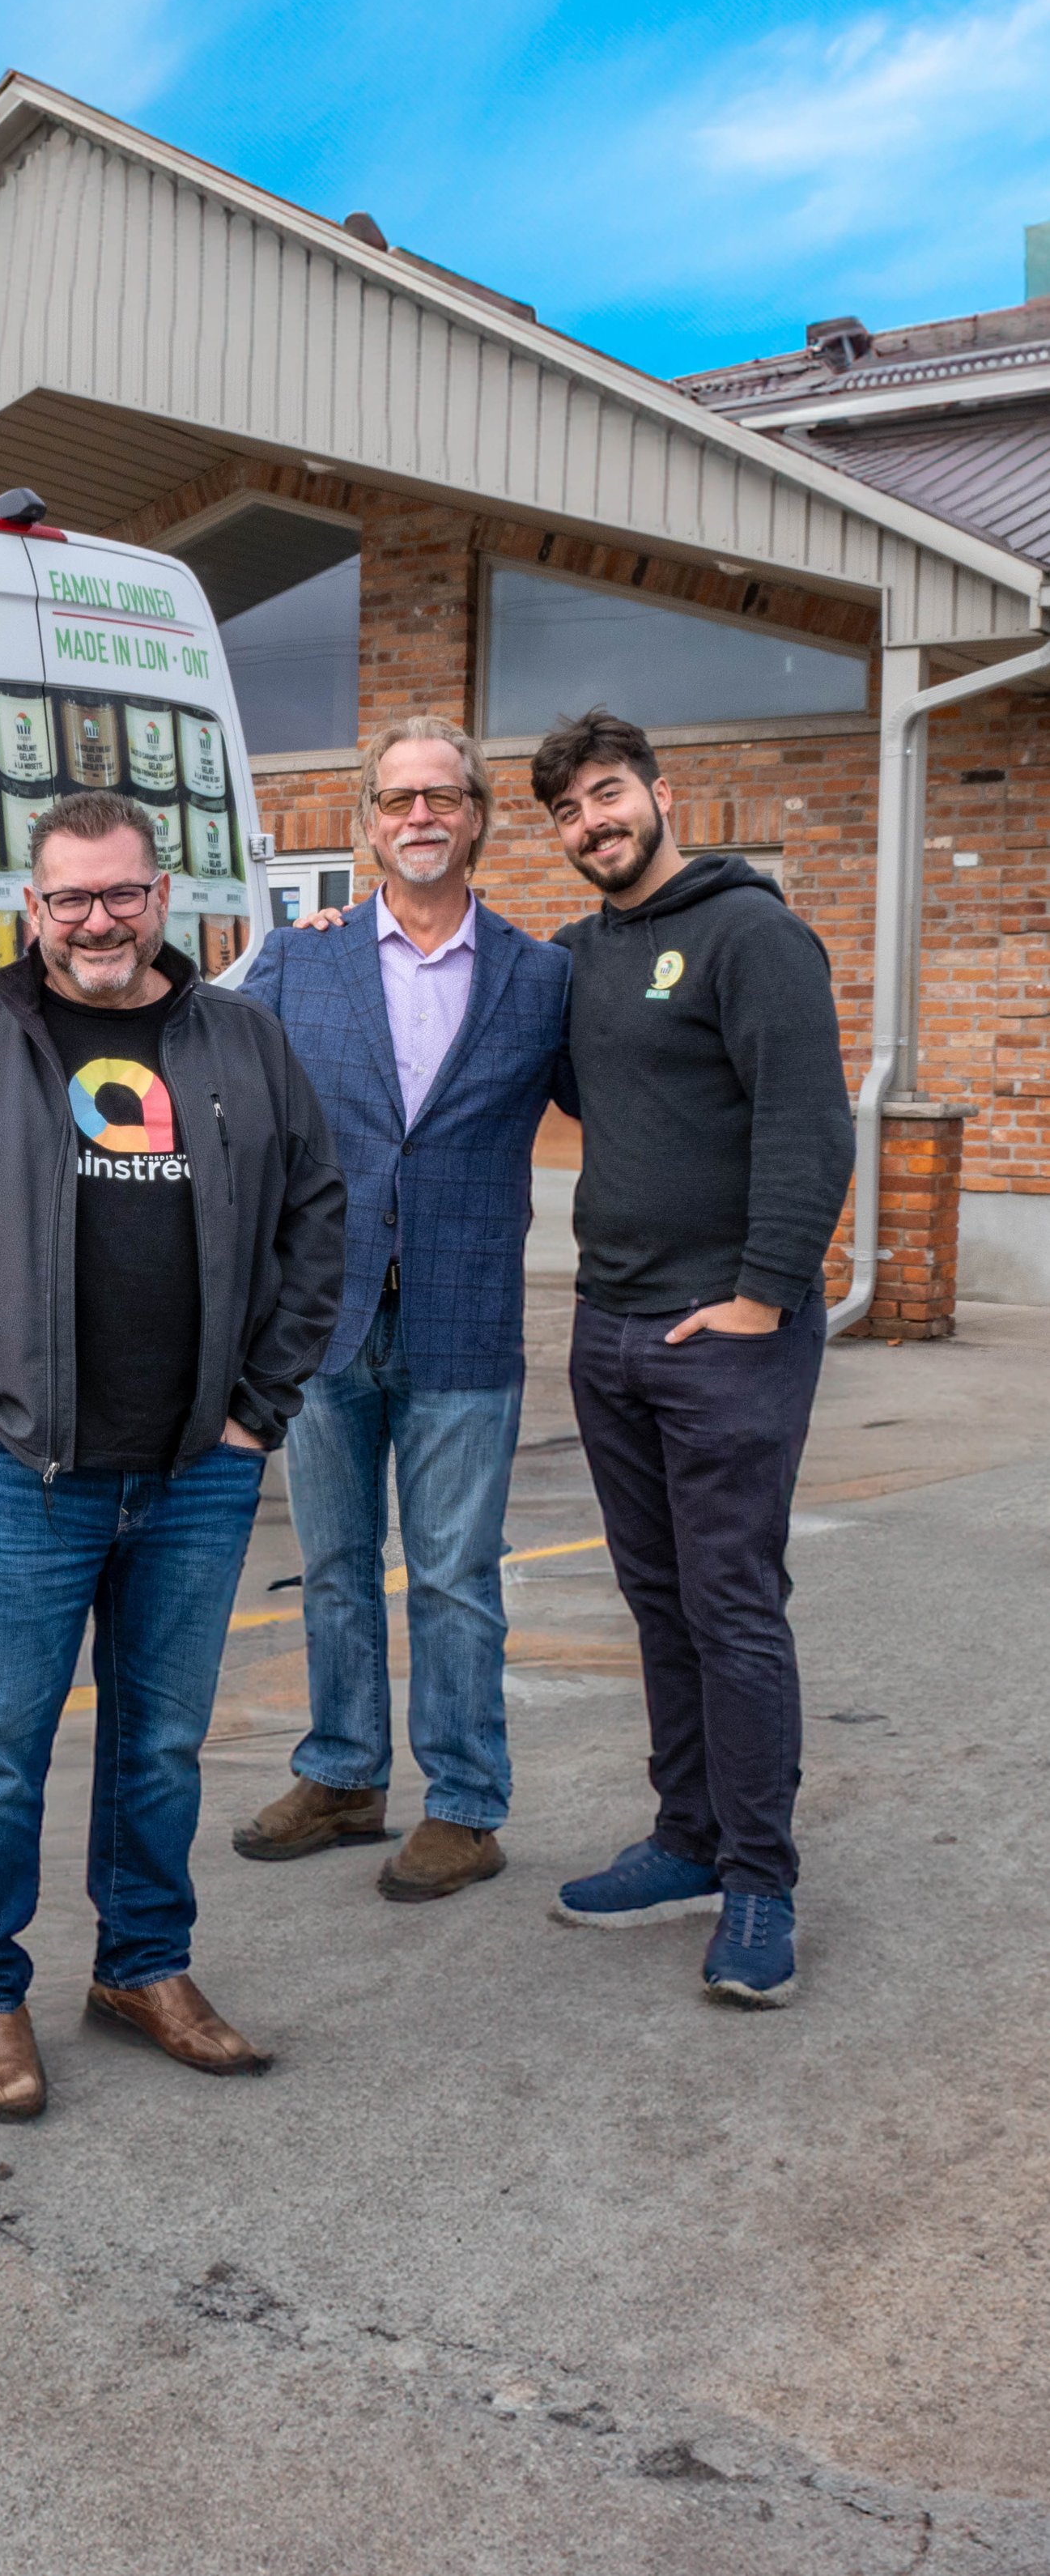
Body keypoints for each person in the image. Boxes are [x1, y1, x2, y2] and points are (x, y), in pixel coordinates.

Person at [0, 791, 345, 2123]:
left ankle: (143, 1968)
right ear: (32, 907)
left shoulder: (241, 1040)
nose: (98, 920)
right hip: (16, 1469)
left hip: (196, 1468)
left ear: (162, 897)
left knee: (163, 1743)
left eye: (123, 894)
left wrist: (256, 1410)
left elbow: (316, 1220)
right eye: (70, 898)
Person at [534, 708, 854, 2009]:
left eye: (607, 795)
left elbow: (809, 1126)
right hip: (608, 1324)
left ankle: (761, 1879)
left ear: (664, 793)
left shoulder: (754, 935)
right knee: (659, 1603)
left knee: (731, 1604)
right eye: (566, 811)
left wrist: (764, 1296)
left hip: (723, 1333)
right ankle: (686, 1837)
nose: (591, 823)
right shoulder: (579, 958)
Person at [236, 716, 571, 1899]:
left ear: (477, 815)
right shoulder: (296, 961)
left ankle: (467, 1804)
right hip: (322, 1317)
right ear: (366, 823)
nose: (419, 815)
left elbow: (635, 1091)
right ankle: (342, 1774)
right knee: (332, 1564)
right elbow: (225, 1108)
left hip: (463, 1319)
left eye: (442, 795)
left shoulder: (543, 978)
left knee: (454, 1575)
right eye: (396, 799)